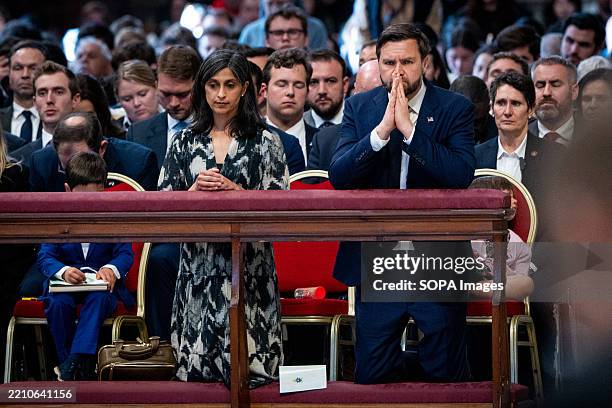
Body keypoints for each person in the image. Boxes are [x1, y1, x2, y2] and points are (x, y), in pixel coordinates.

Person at [329, 23, 476, 384]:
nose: (398, 71)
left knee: (445, 374)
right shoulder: (359, 106)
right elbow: (339, 175)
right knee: (374, 373)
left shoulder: (454, 107)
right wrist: (381, 133)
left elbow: (460, 173)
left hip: (437, 258)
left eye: (407, 61)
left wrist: (409, 131)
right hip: (377, 258)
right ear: (377, 63)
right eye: (389, 62)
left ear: (425, 62)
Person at [158, 49, 288, 386]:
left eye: (229, 85)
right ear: (202, 88)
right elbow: (161, 211)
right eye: (213, 84)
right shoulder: (183, 142)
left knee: (254, 379)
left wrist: (237, 192)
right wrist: (191, 194)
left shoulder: (266, 141)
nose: (220, 94)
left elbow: (282, 210)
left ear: (244, 88)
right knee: (197, 382)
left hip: (251, 267)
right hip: (198, 267)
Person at [40, 151, 134, 381]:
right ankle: (70, 363)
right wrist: (63, 271)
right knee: (57, 302)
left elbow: (125, 254)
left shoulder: (114, 217)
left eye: (96, 198)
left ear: (105, 191)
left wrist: (111, 269)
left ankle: (74, 363)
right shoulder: (55, 216)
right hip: (65, 286)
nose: (88, 204)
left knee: (99, 298)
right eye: (81, 198)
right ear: (67, 190)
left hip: (101, 289)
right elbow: (45, 256)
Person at [476, 72, 565, 207]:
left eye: (516, 103)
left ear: (530, 110)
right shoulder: (475, 157)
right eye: (501, 103)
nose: (507, 111)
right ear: (492, 109)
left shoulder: (554, 155)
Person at [126, 45, 201, 173]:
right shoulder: (138, 134)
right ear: (156, 85)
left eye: (182, 94)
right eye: (166, 94)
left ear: (198, 86)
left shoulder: (223, 129)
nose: (173, 103)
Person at [307, 59, 381, 171]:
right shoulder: (324, 139)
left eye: (379, 96)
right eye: (365, 95)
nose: (373, 102)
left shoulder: (406, 136)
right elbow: (310, 186)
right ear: (355, 92)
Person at [468, 176, 534, 301]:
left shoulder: (516, 243)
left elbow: (519, 280)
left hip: (490, 285)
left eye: (514, 196)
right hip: (467, 279)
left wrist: (498, 269)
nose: (515, 201)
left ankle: (472, 289)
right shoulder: (465, 233)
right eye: (507, 197)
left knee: (526, 283)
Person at [11, 61, 81, 164]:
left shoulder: (95, 149)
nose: (49, 100)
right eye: (42, 93)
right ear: (35, 102)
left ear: (75, 100)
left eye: (58, 92)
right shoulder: (17, 160)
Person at [262, 48, 316, 162]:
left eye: (298, 85)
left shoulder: (324, 142)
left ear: (307, 92)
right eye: (282, 84)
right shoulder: (243, 139)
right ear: (264, 91)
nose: (290, 92)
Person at [0, 41, 46, 143]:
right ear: (9, 73)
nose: (25, 74)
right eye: (18, 68)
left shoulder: (57, 120)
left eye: (33, 68)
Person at [529, 56, 578, 146]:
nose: (546, 92)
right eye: (540, 85)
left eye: (555, 84)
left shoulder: (595, 136)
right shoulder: (518, 137)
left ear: (574, 91)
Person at [304, 50, 348, 129]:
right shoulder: (294, 127)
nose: (322, 91)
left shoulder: (361, 122)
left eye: (330, 81)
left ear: (345, 85)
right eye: (313, 82)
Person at [115, 60, 160, 130]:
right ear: (118, 100)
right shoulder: (112, 133)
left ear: (156, 87)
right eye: (127, 99)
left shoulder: (177, 122)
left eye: (142, 94)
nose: (136, 103)